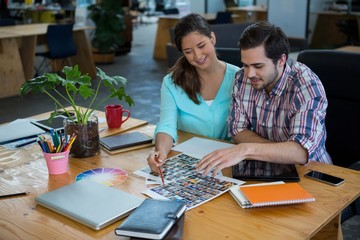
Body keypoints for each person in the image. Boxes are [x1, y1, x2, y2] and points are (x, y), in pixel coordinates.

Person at [197, 21, 332, 177]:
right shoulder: (242, 78)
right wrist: (280, 151)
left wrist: (246, 149)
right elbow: (237, 129)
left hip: (310, 175)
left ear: (281, 60)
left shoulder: (305, 85)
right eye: (245, 65)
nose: (249, 74)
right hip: (261, 172)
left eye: (258, 66)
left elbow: (300, 152)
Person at [147, 13, 240, 172]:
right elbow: (166, 125)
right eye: (188, 51)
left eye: (201, 45)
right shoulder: (171, 82)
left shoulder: (240, 78)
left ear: (212, 38)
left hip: (229, 164)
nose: (197, 56)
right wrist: (160, 152)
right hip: (191, 165)